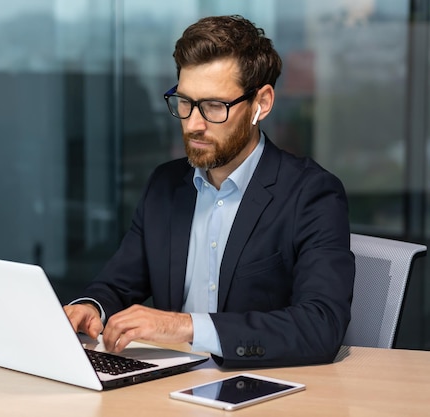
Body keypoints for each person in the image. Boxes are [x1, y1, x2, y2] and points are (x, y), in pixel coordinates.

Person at [64, 15, 355, 368]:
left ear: (261, 104)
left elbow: (320, 325)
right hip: (170, 381)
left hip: (261, 388)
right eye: (184, 102)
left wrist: (185, 326)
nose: (193, 124)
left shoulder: (311, 194)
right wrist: (89, 307)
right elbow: (117, 284)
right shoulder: (165, 185)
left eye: (215, 106)